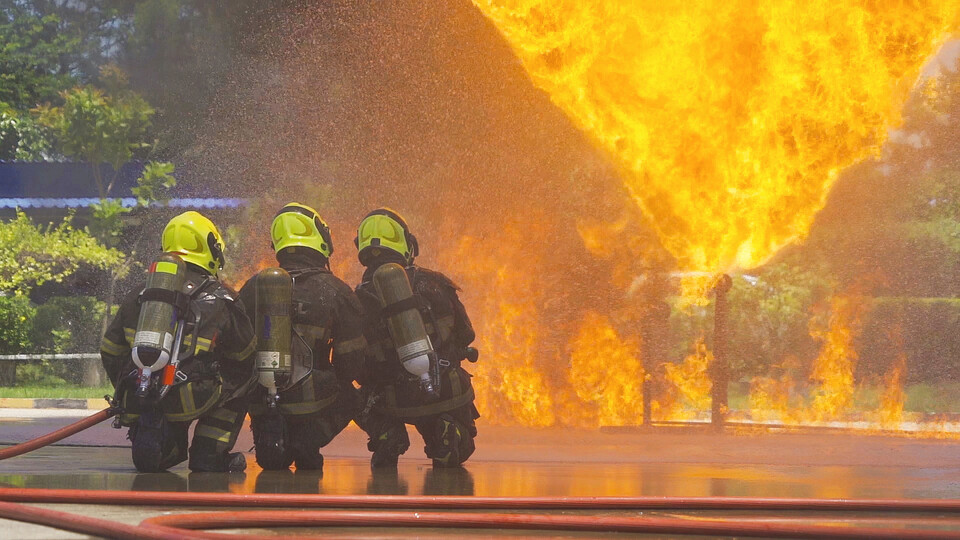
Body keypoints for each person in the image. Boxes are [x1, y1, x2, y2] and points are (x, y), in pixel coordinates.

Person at [100, 211, 256, 473]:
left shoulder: (140, 294)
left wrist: (133, 386)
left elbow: (110, 350)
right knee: (246, 380)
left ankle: (158, 441)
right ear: (211, 249)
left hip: (140, 396)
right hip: (192, 397)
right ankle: (209, 453)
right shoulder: (223, 298)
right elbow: (246, 357)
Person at [238, 203, 367, 470]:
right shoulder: (335, 290)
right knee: (354, 396)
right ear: (320, 237)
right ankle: (308, 441)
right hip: (313, 403)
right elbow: (352, 363)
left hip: (262, 402)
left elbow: (237, 349)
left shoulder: (252, 287)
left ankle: (272, 440)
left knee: (272, 459)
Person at [353, 208, 479, 468]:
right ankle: (450, 436)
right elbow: (466, 334)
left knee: (346, 393)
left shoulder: (356, 299)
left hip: (389, 400)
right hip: (442, 393)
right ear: (406, 244)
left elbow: (351, 357)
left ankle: (386, 433)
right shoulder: (434, 283)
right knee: (457, 435)